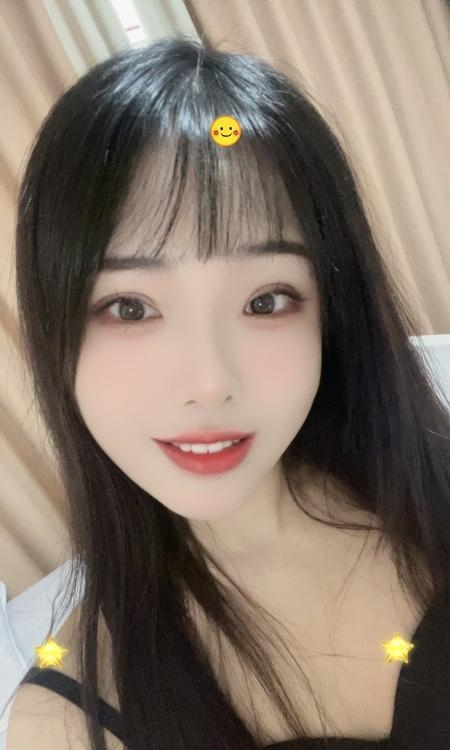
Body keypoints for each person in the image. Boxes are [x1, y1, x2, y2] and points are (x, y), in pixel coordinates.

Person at [5, 36, 450, 750]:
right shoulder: (64, 726)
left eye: (266, 301)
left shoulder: (432, 484)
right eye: (129, 307)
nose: (210, 383)